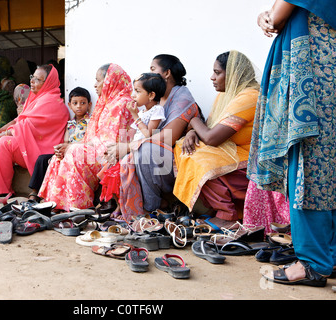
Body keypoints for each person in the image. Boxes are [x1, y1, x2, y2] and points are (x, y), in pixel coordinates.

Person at [249, 0, 336, 287]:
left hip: (315, 66)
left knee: (311, 164)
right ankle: (328, 256)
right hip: (326, 66)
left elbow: (276, 18)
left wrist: (269, 15)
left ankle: (313, 263)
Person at [173, 51, 260, 230]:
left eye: (217, 73)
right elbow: (209, 127)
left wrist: (192, 119)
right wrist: (192, 133)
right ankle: (217, 209)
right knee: (185, 146)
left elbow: (212, 138)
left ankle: (227, 215)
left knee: (200, 160)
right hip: (233, 151)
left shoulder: (249, 96)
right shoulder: (226, 94)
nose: (212, 78)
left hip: (253, 160)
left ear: (234, 75)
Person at [115, 54, 201, 222]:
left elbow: (168, 138)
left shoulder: (181, 97)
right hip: (160, 154)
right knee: (124, 150)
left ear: (167, 73)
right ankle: (129, 207)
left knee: (144, 149)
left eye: (153, 69)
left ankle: (152, 208)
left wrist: (130, 146)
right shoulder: (157, 99)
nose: (150, 73)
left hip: (176, 157)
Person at [37, 63, 134, 211]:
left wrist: (75, 146)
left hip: (112, 155)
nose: (95, 85)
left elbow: (110, 142)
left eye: (98, 80)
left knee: (74, 152)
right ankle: (54, 202)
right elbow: (95, 137)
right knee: (59, 155)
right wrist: (69, 145)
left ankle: (76, 205)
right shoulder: (107, 103)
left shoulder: (122, 104)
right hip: (98, 151)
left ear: (109, 81)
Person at [0, 64, 69, 202]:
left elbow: (25, 126)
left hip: (41, 149)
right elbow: (18, 120)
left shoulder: (53, 102)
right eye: (32, 77)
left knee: (3, 142)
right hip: (30, 144)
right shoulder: (36, 98)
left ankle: (2, 192)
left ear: (48, 82)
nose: (32, 81)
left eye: (38, 79)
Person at [99, 73, 166, 212]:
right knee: (111, 168)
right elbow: (133, 135)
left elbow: (148, 134)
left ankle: (126, 207)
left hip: (144, 151)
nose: (134, 95)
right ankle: (118, 205)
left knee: (124, 172)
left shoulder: (157, 110)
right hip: (134, 148)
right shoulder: (142, 112)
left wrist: (135, 115)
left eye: (138, 91)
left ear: (151, 95)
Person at [28, 86, 92, 202]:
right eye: (75, 103)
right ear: (70, 105)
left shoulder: (90, 122)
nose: (79, 106)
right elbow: (66, 142)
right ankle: (34, 193)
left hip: (79, 155)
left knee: (57, 162)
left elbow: (89, 141)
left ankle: (53, 197)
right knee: (43, 159)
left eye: (83, 103)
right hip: (67, 152)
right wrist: (59, 151)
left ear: (89, 104)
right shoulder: (70, 124)